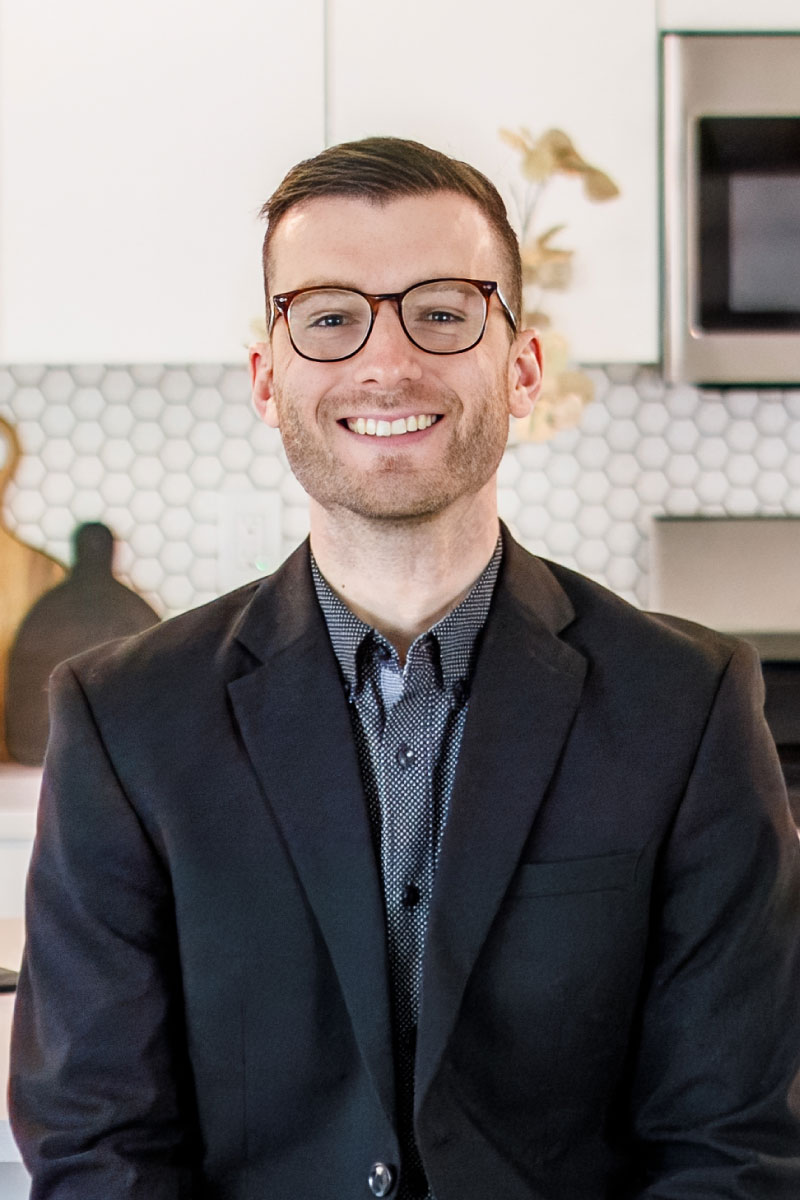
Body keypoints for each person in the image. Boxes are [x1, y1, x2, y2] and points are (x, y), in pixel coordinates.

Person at [9, 136, 800, 1199]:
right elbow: (96, 1142)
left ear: (520, 367)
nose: (386, 363)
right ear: (266, 376)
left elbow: (731, 1142)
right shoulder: (122, 718)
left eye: (441, 310)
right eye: (330, 317)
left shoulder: (686, 705)